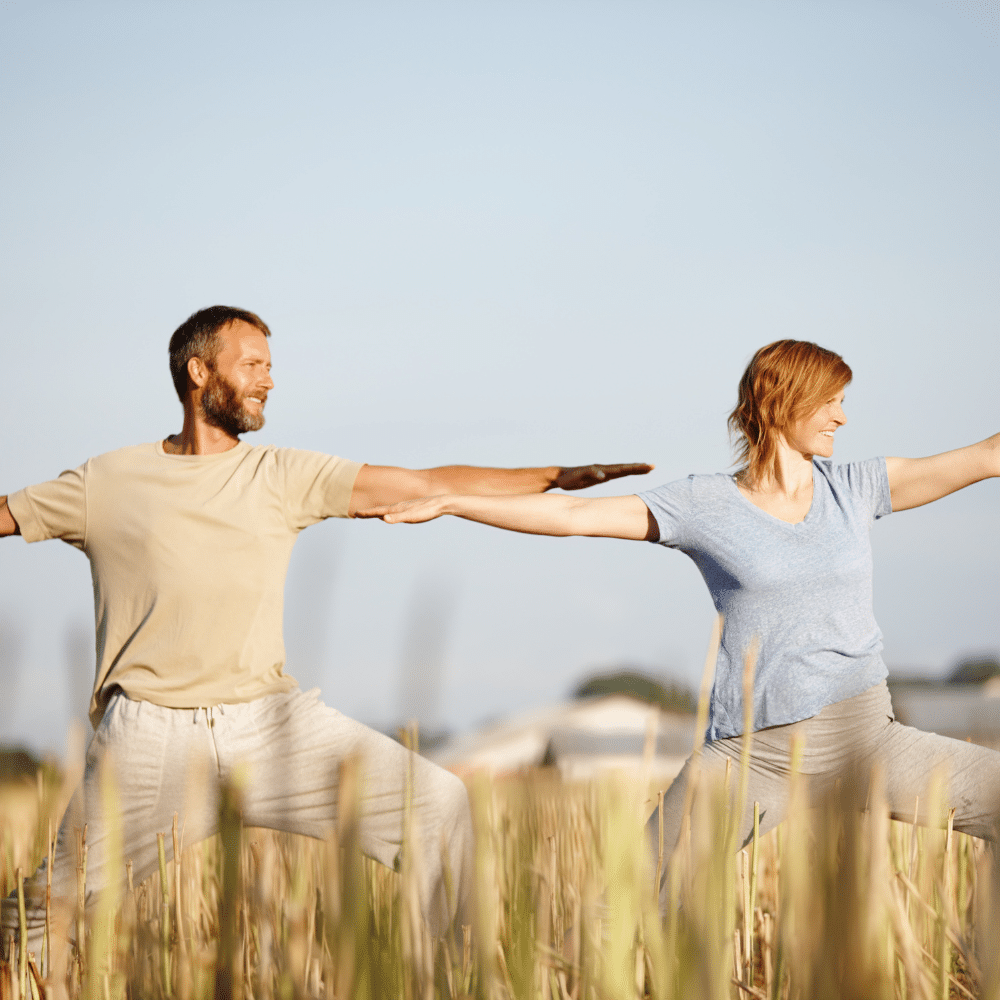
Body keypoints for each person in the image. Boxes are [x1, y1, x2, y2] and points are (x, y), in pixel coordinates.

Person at [0, 304, 652, 955]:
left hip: (272, 726)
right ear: (199, 371)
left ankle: (447, 980)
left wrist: (551, 479)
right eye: (252, 364)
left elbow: (421, 483)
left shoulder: (282, 473)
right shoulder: (108, 482)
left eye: (270, 366)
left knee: (438, 808)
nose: (269, 380)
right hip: (151, 742)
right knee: (45, 916)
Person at [357, 338, 1000, 901]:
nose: (842, 414)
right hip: (758, 755)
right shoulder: (704, 504)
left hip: (868, 737)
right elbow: (576, 519)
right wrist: (452, 501)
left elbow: (983, 456)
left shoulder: (855, 487)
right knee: (629, 902)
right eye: (830, 399)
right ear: (781, 400)